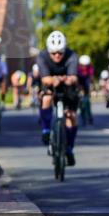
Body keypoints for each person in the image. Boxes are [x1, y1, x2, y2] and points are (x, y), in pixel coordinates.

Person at [35, 31, 80, 166]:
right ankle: (46, 130)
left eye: (60, 53)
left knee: (71, 116)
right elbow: (45, 79)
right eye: (53, 53)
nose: (57, 56)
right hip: (50, 84)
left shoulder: (72, 56)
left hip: (67, 86)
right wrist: (53, 79)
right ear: (48, 51)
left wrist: (67, 79)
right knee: (46, 99)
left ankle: (69, 148)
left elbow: (73, 77)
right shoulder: (42, 56)